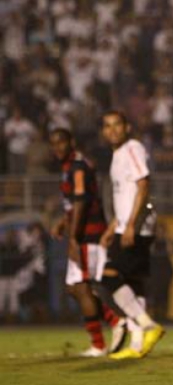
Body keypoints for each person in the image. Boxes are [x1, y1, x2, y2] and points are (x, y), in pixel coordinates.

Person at [48, 128, 126, 356]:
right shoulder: (70, 167)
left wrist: (73, 238)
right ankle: (115, 323)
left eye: (61, 142)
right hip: (82, 232)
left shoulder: (78, 167)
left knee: (81, 287)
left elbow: (81, 202)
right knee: (75, 288)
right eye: (53, 144)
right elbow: (74, 204)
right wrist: (64, 222)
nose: (57, 147)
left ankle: (101, 341)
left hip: (87, 234)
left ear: (71, 141)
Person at [99, 111, 165, 360]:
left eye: (117, 124)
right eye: (107, 125)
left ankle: (148, 325)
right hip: (126, 224)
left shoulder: (133, 148)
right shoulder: (117, 155)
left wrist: (130, 226)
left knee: (108, 275)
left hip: (136, 227)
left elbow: (143, 184)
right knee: (134, 283)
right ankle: (138, 345)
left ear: (127, 127)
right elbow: (123, 198)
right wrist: (112, 227)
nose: (112, 130)